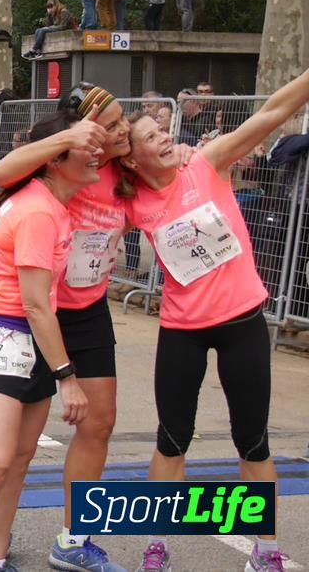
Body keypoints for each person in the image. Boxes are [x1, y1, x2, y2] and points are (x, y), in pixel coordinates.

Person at [116, 67, 309, 572]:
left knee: (254, 438)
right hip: (182, 330)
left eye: (165, 131)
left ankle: (264, 549)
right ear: (131, 157)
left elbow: (271, 113)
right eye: (151, 136)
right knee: (171, 438)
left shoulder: (205, 164)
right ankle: (156, 545)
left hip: (242, 320)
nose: (164, 138)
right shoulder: (133, 201)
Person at [0, 87, 138, 572]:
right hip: (39, 310)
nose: (121, 131)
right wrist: (70, 138)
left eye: (122, 122)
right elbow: (2, 173)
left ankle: (76, 538)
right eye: (109, 124)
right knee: (18, 445)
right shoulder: (65, 160)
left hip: (89, 308)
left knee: (100, 422)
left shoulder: (124, 174)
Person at [0, 111, 95, 572]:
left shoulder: (48, 201)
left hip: (30, 342)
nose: (95, 156)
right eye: (84, 149)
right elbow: (34, 303)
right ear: (54, 160)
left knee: (17, 459)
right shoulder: (36, 210)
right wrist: (67, 377)